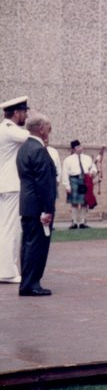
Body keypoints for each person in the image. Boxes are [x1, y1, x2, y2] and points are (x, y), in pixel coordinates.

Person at [17, 113, 57, 296]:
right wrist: (47, 210)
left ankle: (27, 282)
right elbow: (44, 183)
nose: (50, 130)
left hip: (27, 205)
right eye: (48, 127)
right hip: (38, 207)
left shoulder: (24, 147)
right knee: (37, 246)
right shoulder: (39, 150)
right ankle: (32, 284)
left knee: (28, 245)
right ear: (41, 129)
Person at [0, 96, 30, 284]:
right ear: (16, 113)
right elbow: (32, 136)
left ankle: (5, 268)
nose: (26, 115)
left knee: (5, 227)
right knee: (11, 229)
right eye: (25, 112)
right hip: (11, 184)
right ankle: (7, 272)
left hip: (5, 184)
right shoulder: (10, 130)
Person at [61, 140, 98, 229]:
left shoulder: (87, 158)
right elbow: (65, 173)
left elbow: (93, 167)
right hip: (73, 180)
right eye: (77, 147)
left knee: (84, 202)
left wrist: (93, 171)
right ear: (73, 149)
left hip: (85, 180)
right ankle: (74, 222)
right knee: (74, 203)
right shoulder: (68, 160)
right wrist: (67, 185)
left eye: (80, 146)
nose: (80, 148)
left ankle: (82, 222)